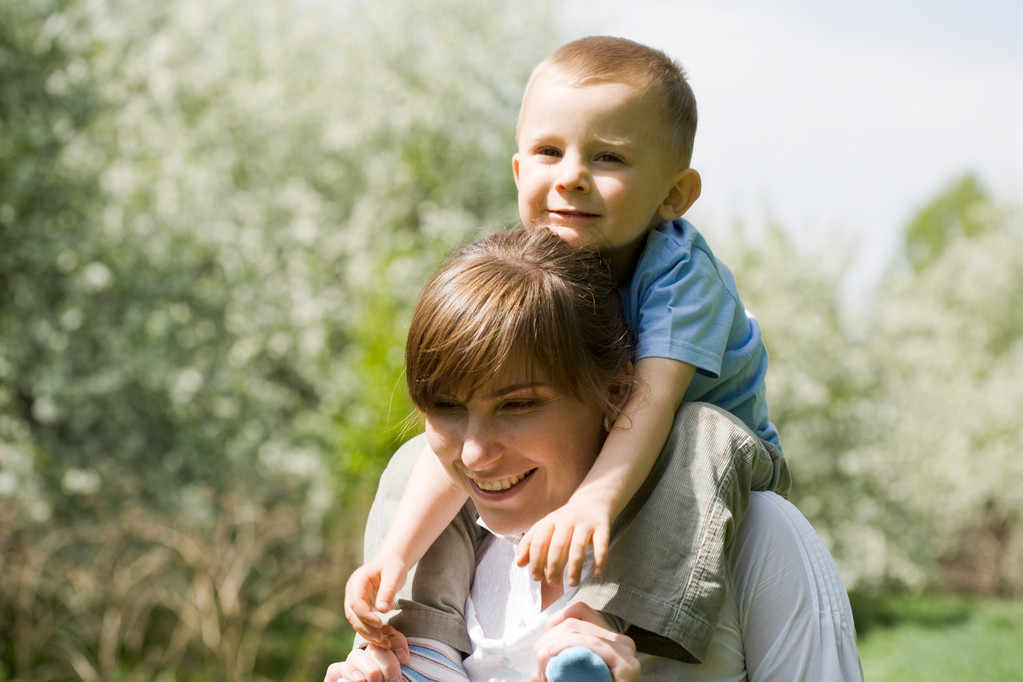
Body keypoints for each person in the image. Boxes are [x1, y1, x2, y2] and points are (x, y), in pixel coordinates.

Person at [346, 35, 788, 664]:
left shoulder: (683, 278)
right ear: (520, 171)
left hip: (705, 465)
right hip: (602, 444)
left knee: (700, 428)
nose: (571, 176)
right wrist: (395, 553)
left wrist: (592, 502)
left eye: (607, 158)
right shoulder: (541, 274)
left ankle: (603, 628)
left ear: (673, 195)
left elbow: (653, 402)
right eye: (549, 152)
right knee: (441, 447)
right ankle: (421, 654)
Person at [326, 228, 862, 681]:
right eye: (446, 407)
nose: (475, 452)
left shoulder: (759, 534)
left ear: (616, 388)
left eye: (518, 405)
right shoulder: (426, 534)